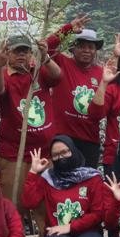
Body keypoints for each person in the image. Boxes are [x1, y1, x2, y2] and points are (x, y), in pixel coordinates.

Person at [0, 35, 60, 234]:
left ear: (31, 54)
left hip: (45, 153)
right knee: (12, 202)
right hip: (13, 155)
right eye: (16, 51)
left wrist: (45, 55)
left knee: (46, 202)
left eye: (25, 51)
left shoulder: (38, 72)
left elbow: (57, 77)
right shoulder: (3, 75)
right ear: (8, 54)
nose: (21, 55)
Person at [22, 137, 107, 237]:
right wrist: (33, 173)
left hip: (88, 231)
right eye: (56, 155)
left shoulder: (92, 178)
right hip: (58, 232)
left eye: (65, 152)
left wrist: (70, 227)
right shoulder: (48, 178)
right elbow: (29, 202)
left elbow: (98, 213)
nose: (61, 157)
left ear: (73, 151)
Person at [45, 16, 105, 167]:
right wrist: (68, 28)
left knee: (86, 185)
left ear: (95, 51)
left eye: (91, 47)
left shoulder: (102, 73)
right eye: (81, 46)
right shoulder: (63, 62)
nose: (86, 50)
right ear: (73, 48)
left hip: (89, 139)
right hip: (62, 136)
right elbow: (46, 47)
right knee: (60, 182)